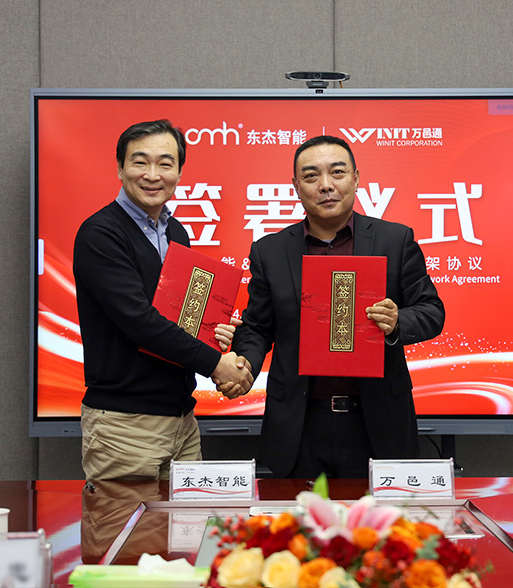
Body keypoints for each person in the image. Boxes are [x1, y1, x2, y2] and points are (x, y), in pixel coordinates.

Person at [231, 134, 445, 478]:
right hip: (299, 425)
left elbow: (431, 311)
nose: (326, 185)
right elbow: (257, 327)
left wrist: (397, 321)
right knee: (297, 513)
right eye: (311, 176)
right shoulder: (270, 251)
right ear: (296, 186)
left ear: (356, 178)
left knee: (379, 516)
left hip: (377, 423)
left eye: (337, 172)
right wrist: (244, 365)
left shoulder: (395, 240)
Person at [73, 119, 252, 481]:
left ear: (179, 172)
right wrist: (216, 364)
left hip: (182, 421)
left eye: (165, 164)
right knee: (127, 520)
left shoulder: (175, 232)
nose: (152, 175)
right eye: (140, 162)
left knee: (187, 520)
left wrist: (210, 330)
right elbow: (139, 321)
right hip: (125, 426)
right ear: (120, 168)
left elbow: (178, 318)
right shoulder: (101, 234)